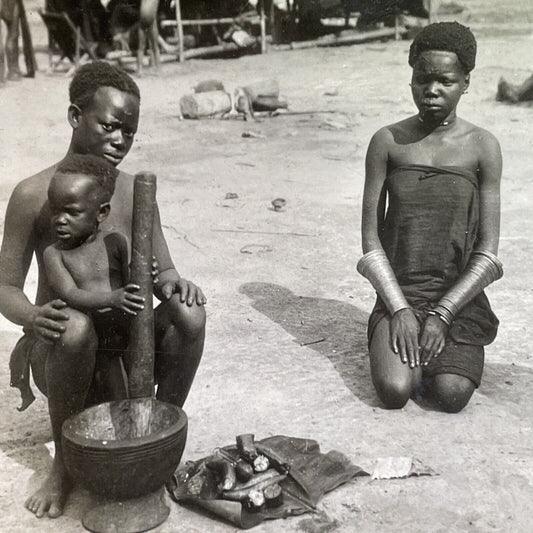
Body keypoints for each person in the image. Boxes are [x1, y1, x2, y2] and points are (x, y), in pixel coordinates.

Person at [0, 61, 206, 519]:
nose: (120, 140)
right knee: (74, 327)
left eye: (129, 133)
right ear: (76, 117)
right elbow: (5, 288)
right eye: (109, 126)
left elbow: (164, 271)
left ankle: (156, 438)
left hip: (125, 351)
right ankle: (66, 466)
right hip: (62, 349)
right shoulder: (35, 194)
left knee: (189, 313)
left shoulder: (133, 190)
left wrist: (177, 284)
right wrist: (33, 318)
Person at [358, 22, 503, 413]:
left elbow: (488, 253)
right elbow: (370, 243)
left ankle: (439, 352)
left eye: (445, 80)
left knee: (450, 394)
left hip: (459, 298)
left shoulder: (483, 147)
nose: (432, 90)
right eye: (422, 79)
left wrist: (443, 313)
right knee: (394, 390)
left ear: (466, 82)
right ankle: (393, 336)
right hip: (399, 292)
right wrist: (399, 309)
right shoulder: (387, 142)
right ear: (411, 81)